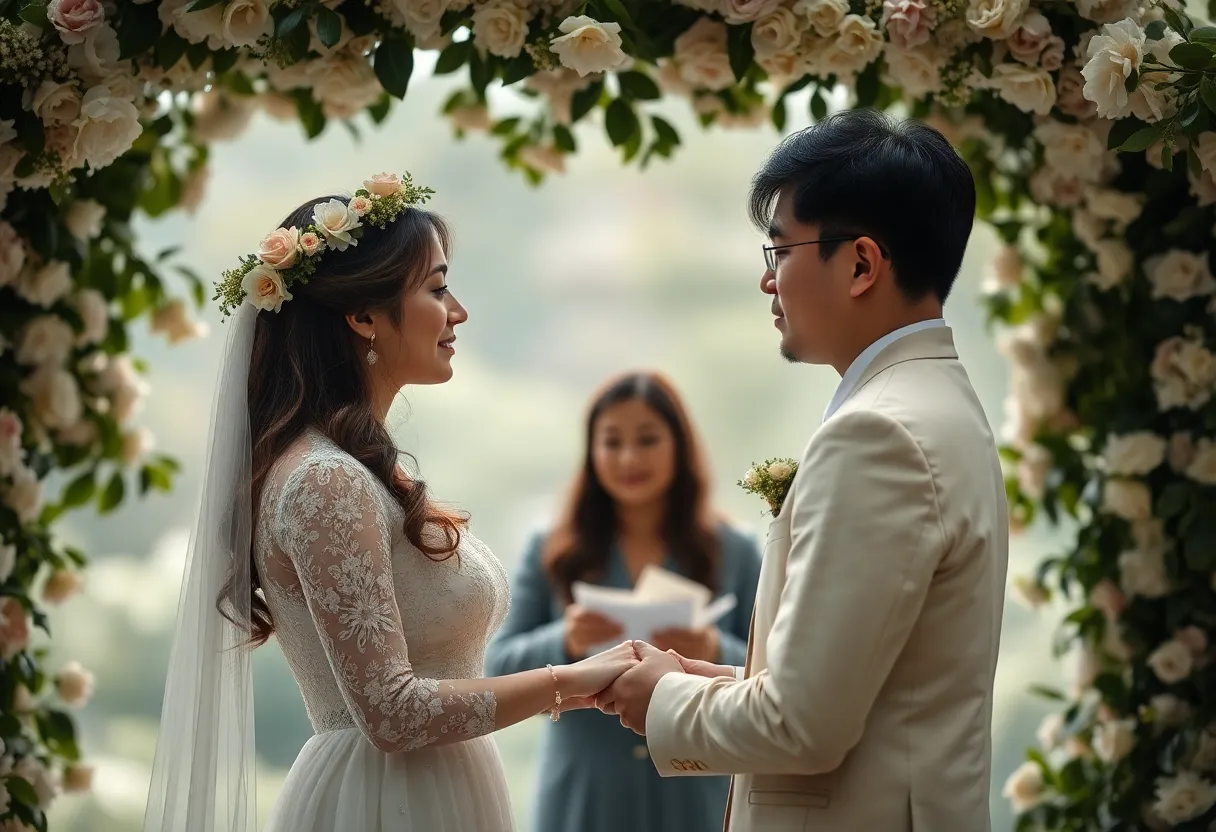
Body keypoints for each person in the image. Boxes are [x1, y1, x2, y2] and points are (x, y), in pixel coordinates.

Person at [141, 173, 639, 832]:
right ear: (364, 315)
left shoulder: (358, 471)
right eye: (436, 289)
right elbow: (390, 712)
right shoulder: (325, 483)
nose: (457, 311)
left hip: (439, 794)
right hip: (381, 805)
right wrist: (566, 682)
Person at [598, 109, 1009, 832]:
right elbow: (884, 695)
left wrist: (662, 700)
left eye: (780, 250)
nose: (769, 282)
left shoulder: (877, 434)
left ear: (860, 264)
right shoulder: (940, 402)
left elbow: (803, 727)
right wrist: (714, 680)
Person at [485, 370, 762, 832]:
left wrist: (714, 649)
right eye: (612, 442)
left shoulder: (734, 549)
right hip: (584, 794)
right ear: (591, 453)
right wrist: (567, 639)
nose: (629, 457)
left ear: (679, 445)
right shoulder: (553, 547)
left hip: (697, 791)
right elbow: (497, 669)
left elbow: (773, 673)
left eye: (648, 439)